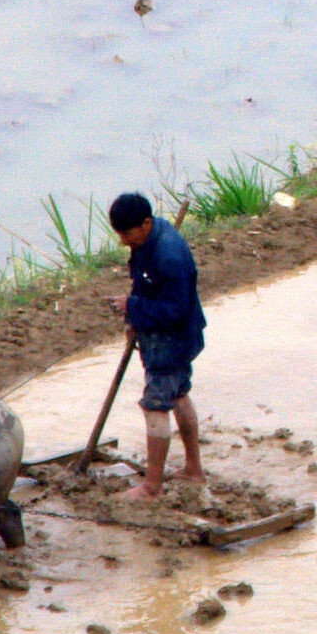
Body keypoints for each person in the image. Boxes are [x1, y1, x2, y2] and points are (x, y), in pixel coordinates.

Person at [109, 190, 206, 495]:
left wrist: (132, 308)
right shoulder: (148, 241)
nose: (124, 240)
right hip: (172, 335)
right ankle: (193, 469)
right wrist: (133, 319)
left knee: (155, 407)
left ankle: (151, 486)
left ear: (146, 223)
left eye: (127, 233)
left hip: (172, 339)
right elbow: (144, 284)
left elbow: (175, 311)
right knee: (178, 395)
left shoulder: (168, 255)